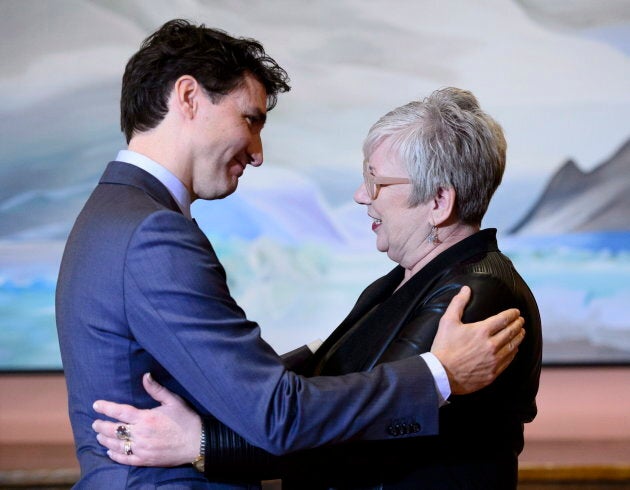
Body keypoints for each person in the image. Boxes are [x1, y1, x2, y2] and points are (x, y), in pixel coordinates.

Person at [56, 18, 524, 489]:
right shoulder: (154, 234)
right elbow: (277, 413)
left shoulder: (112, 215)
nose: (258, 153)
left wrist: (202, 441)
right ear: (189, 97)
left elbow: (254, 394)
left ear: (439, 200)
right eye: (251, 119)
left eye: (377, 181)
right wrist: (440, 375)